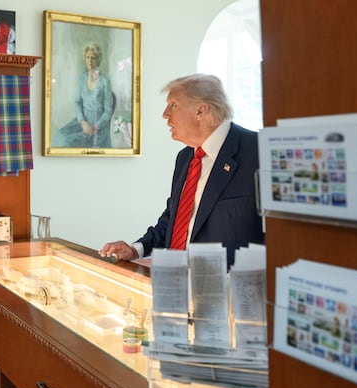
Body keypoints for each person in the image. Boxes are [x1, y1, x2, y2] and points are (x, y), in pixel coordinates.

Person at [99, 74, 263, 266]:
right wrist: (136, 249)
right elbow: (174, 218)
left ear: (200, 111)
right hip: (177, 283)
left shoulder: (257, 151)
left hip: (229, 290)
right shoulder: (185, 158)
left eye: (173, 105)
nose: (165, 114)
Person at [54, 42, 114, 148]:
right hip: (83, 122)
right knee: (60, 135)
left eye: (93, 58)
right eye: (87, 57)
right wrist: (82, 122)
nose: (90, 61)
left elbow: (108, 111)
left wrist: (95, 127)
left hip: (97, 127)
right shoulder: (82, 78)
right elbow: (77, 102)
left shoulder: (105, 81)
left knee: (67, 142)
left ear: (98, 59)